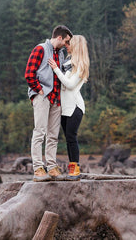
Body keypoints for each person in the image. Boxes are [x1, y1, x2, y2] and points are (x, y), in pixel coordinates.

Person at [25, 25, 72, 182]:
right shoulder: (40, 49)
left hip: (57, 99)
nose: (67, 45)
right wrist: (40, 90)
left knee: (53, 136)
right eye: (66, 41)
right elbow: (29, 74)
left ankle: (52, 167)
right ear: (59, 37)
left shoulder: (61, 54)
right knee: (39, 132)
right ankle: (38, 168)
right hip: (43, 96)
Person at [48, 35, 89, 181]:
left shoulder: (80, 64)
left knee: (72, 138)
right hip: (64, 107)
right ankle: (72, 169)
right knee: (68, 139)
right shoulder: (66, 62)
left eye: (69, 44)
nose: (66, 45)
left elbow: (70, 85)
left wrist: (55, 69)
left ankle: (75, 170)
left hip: (74, 107)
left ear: (76, 46)